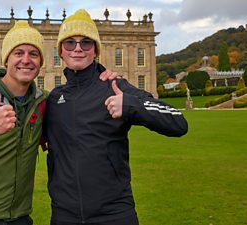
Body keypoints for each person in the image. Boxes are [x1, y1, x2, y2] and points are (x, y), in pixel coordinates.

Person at [0, 20, 119, 225]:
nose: (26, 60)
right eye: (18, 53)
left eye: (34, 54)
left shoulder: (44, 102)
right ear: (6, 59)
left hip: (20, 217)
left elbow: (77, 105)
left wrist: (100, 77)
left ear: (40, 62)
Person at [45, 9, 188, 225]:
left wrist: (130, 105)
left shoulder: (114, 87)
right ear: (61, 51)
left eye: (86, 43)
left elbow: (178, 122)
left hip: (114, 214)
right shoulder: (54, 100)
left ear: (95, 50)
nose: (77, 49)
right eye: (69, 43)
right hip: (64, 215)